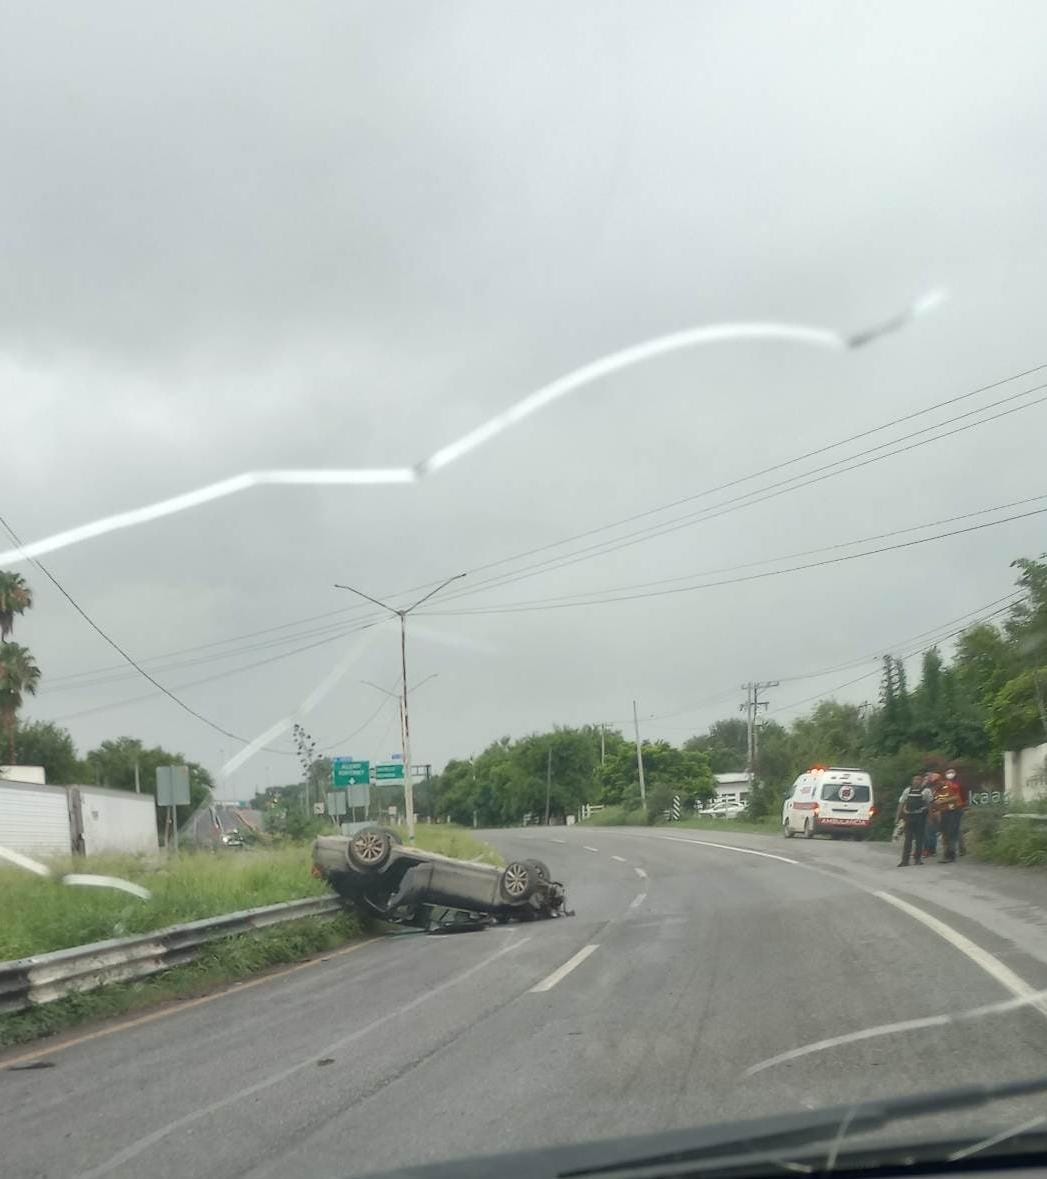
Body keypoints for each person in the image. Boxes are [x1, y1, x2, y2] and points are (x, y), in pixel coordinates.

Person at [896, 775, 933, 866]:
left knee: (919, 839)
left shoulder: (926, 791)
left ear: (921, 781)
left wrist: (930, 817)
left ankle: (915, 859)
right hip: (910, 816)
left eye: (918, 780)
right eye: (915, 780)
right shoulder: (907, 790)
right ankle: (906, 860)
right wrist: (898, 816)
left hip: (920, 816)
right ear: (912, 781)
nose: (916, 781)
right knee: (908, 839)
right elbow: (902, 803)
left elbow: (929, 805)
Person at [933, 771, 964, 863]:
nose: (935, 785)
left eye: (936, 782)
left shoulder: (950, 785)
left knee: (951, 833)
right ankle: (946, 854)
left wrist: (943, 801)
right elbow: (936, 803)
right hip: (944, 812)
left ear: (940, 781)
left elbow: (956, 797)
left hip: (955, 811)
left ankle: (951, 855)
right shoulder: (935, 790)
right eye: (933, 783)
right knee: (944, 834)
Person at [946, 767, 969, 856]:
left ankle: (960, 849)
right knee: (952, 830)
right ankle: (955, 850)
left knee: (957, 829)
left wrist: (964, 806)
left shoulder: (959, 784)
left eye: (951, 772)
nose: (950, 774)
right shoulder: (946, 784)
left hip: (958, 808)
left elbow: (964, 797)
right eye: (948, 773)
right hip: (949, 809)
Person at [923, 773, 940, 860]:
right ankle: (929, 850)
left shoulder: (934, 790)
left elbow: (934, 802)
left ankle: (930, 850)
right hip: (928, 812)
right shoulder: (926, 790)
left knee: (930, 832)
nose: (925, 781)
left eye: (927, 779)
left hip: (933, 812)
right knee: (928, 832)